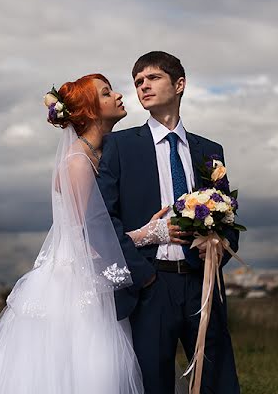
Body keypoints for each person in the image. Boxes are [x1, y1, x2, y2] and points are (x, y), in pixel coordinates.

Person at [0, 73, 147, 394]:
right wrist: (147, 235)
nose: (118, 96)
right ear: (90, 111)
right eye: (106, 93)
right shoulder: (77, 162)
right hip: (80, 282)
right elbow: (88, 232)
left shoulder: (103, 155)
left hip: (99, 269)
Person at [98, 51, 241, 394]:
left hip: (201, 286)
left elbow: (228, 216)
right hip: (151, 285)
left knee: (218, 381)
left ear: (179, 85)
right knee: (153, 384)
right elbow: (102, 219)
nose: (143, 85)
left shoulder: (210, 151)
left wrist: (220, 248)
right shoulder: (119, 146)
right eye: (137, 82)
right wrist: (142, 276)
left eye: (152, 78)